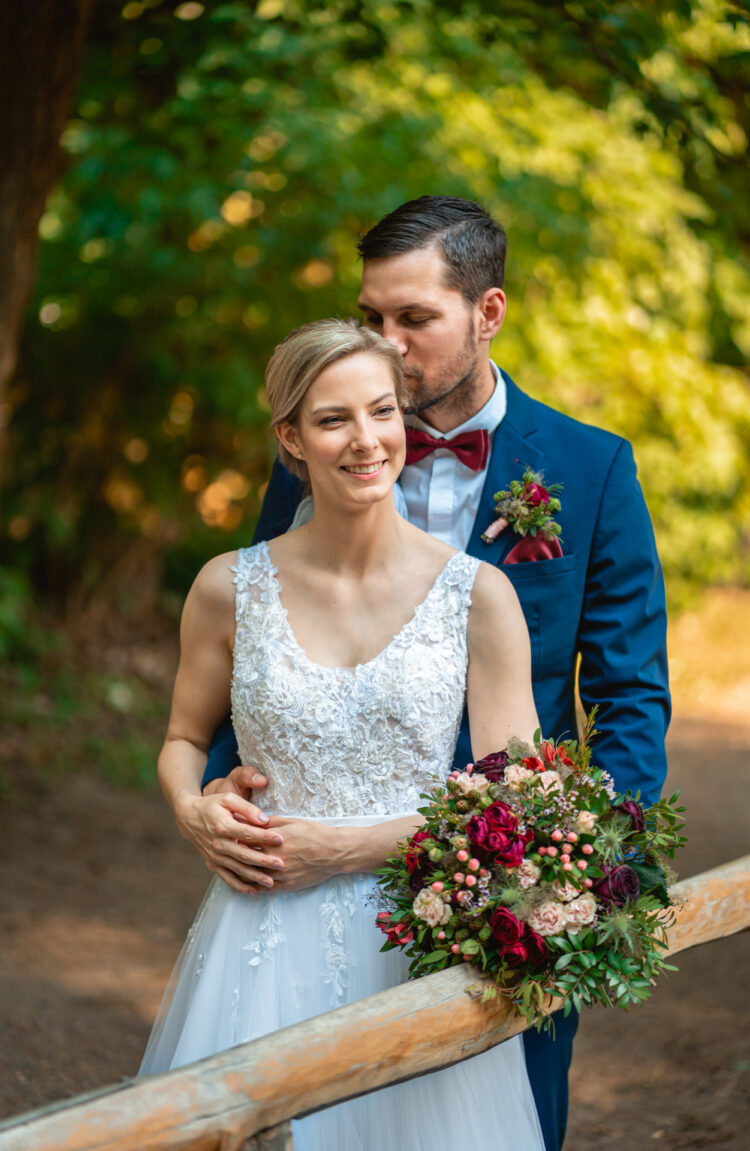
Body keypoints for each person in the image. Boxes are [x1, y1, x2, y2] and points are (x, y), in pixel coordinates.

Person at [186, 196, 671, 1150]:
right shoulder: (325, 446)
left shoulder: (591, 468)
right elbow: (261, 634)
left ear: (487, 313)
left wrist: (581, 877)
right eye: (371, 315)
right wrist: (220, 794)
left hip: (503, 888)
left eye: (414, 318)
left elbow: (628, 695)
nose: (385, 344)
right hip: (303, 884)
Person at [140, 318, 546, 1150]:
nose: (366, 440)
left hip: (421, 933)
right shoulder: (226, 587)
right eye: (333, 419)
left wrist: (344, 850)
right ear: (291, 437)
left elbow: (516, 800)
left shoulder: (478, 596)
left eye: (382, 411)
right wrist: (192, 808)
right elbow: (183, 739)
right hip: (258, 936)